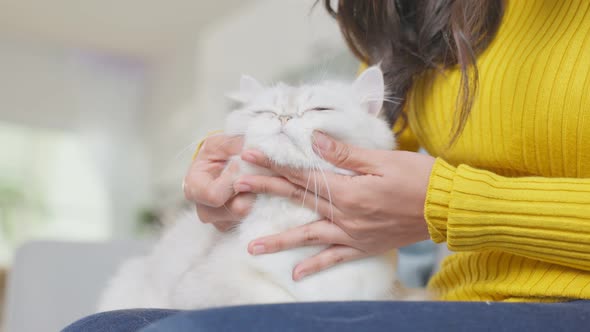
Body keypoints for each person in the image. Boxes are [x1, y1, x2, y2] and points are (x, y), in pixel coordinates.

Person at [64, 1, 590, 331]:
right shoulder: (413, 13)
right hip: (464, 299)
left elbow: (424, 193)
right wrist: (238, 156)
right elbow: (357, 141)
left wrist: (451, 203)